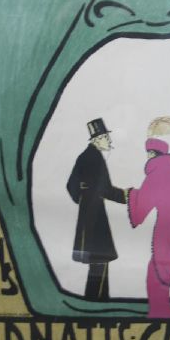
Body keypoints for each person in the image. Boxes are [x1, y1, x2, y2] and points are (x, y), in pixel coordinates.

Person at [128, 137, 170, 318]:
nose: (147, 157)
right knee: (165, 264)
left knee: (159, 264)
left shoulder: (158, 171)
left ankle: (159, 309)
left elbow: (143, 205)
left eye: (148, 153)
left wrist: (132, 194)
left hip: (167, 225)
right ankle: (160, 308)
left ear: (153, 154)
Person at [67, 118, 127, 300]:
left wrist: (83, 198)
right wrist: (128, 196)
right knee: (100, 259)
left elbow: (71, 186)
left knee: (98, 261)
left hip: (89, 212)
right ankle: (97, 300)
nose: (109, 141)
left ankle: (96, 299)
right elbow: (105, 189)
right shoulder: (94, 158)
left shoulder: (85, 156)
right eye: (106, 138)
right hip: (95, 216)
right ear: (97, 139)